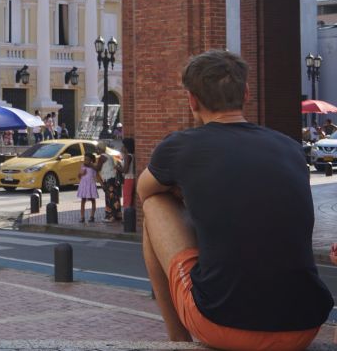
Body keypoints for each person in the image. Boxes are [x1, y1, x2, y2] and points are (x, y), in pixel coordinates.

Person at [139, 50, 332, 349]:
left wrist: (185, 189)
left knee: (155, 203)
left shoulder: (180, 146)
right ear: (246, 93)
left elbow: (144, 191)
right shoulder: (291, 148)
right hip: (305, 326)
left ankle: (177, 339)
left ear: (192, 100)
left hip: (222, 324)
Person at [96, 142, 121, 221]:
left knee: (110, 198)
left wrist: (90, 165)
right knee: (115, 197)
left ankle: (111, 216)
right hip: (113, 178)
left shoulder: (102, 157)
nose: (96, 150)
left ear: (99, 149)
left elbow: (97, 168)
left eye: (97, 149)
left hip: (108, 179)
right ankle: (117, 214)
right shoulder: (109, 156)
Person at [77, 153, 99, 223]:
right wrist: (81, 174)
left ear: (91, 160)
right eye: (85, 159)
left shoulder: (93, 167)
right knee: (83, 200)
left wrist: (101, 183)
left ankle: (92, 216)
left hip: (90, 184)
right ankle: (82, 217)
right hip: (84, 184)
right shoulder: (82, 165)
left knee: (92, 200)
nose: (85, 161)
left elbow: (96, 176)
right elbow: (79, 176)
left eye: (87, 160)